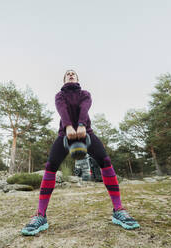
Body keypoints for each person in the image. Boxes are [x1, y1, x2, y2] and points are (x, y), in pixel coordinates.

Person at [21, 70, 140, 236]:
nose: (70, 74)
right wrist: (68, 126)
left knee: (105, 162)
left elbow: (85, 107)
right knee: (50, 167)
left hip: (87, 133)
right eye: (67, 73)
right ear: (63, 80)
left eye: (73, 73)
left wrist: (82, 124)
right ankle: (40, 215)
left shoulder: (85, 94)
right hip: (65, 135)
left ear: (77, 78)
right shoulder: (59, 96)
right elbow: (62, 109)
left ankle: (118, 210)